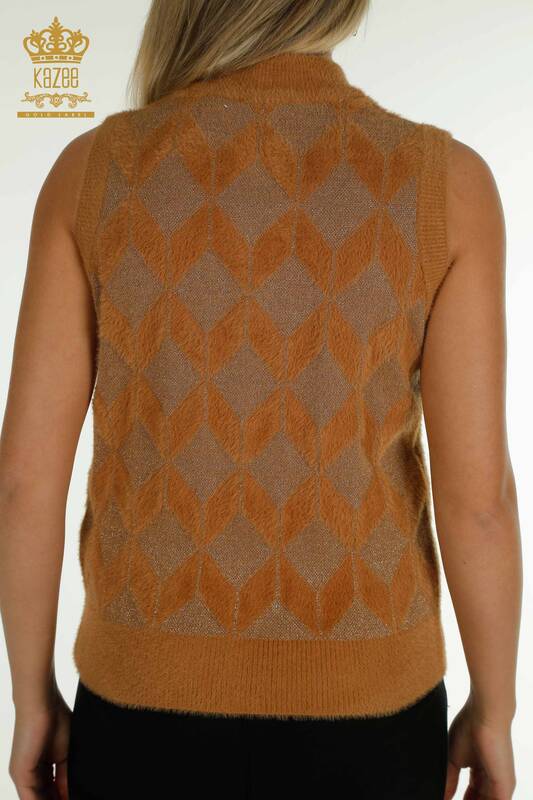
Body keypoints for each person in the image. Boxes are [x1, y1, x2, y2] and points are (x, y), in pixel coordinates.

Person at [0, 1, 521, 799]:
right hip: (372, 715)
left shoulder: (93, 172)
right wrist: (494, 708)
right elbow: (478, 502)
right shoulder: (444, 183)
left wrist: (30, 697)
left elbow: (23, 483)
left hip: (140, 712)